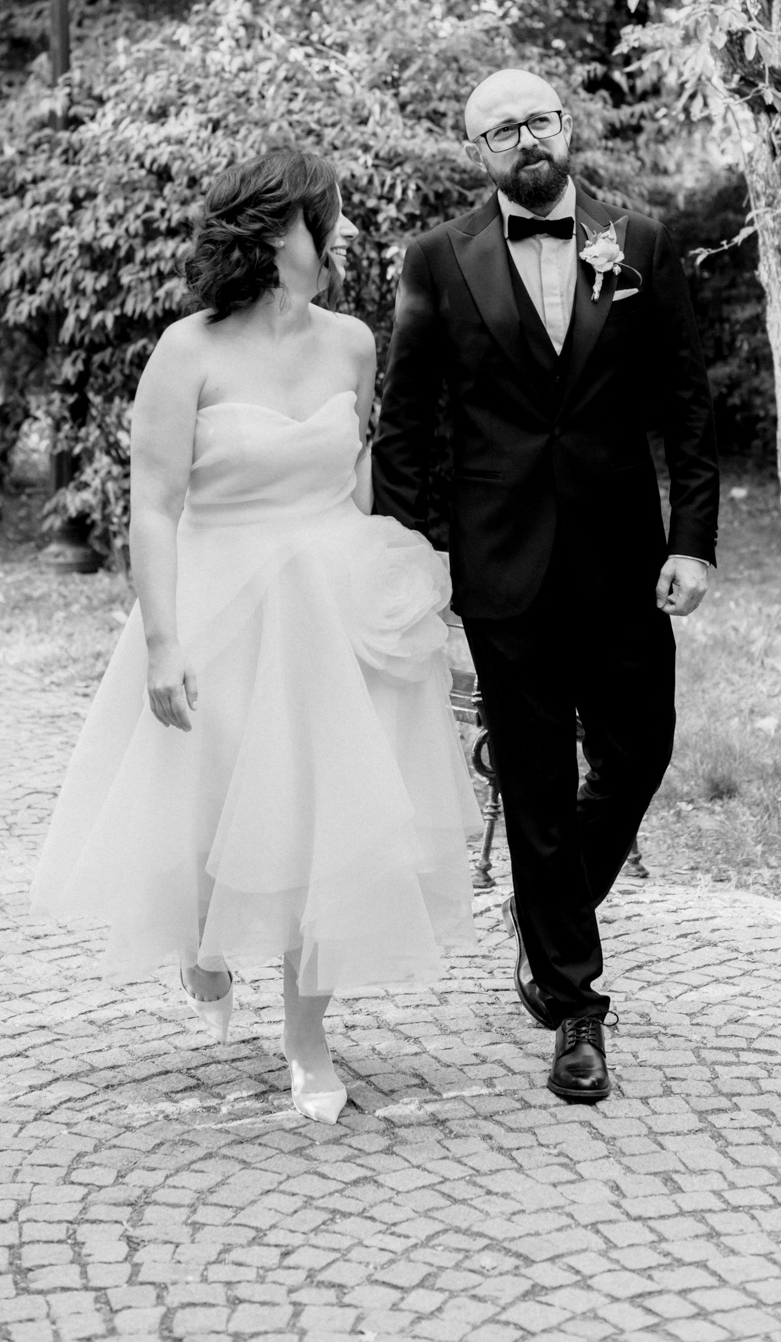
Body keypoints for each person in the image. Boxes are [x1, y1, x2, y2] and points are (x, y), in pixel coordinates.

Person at [31, 147, 480, 1124]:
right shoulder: (185, 351)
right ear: (282, 229)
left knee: (325, 819)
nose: (347, 230)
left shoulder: (352, 342)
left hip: (327, 608)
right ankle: (198, 945)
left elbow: (354, 479)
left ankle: (306, 1038)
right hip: (215, 602)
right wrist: (162, 641)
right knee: (211, 811)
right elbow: (155, 507)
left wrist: (389, 581)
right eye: (333, 213)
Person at [371, 69, 719, 1105]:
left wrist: (692, 542)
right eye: (501, 130)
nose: (525, 139)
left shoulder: (640, 240)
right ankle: (574, 1008)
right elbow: (405, 424)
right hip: (499, 562)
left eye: (537, 120)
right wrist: (411, 558)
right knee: (532, 782)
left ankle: (544, 915)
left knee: (639, 748)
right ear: (477, 151)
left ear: (565, 127)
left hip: (623, 556)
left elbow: (686, 403)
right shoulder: (437, 259)